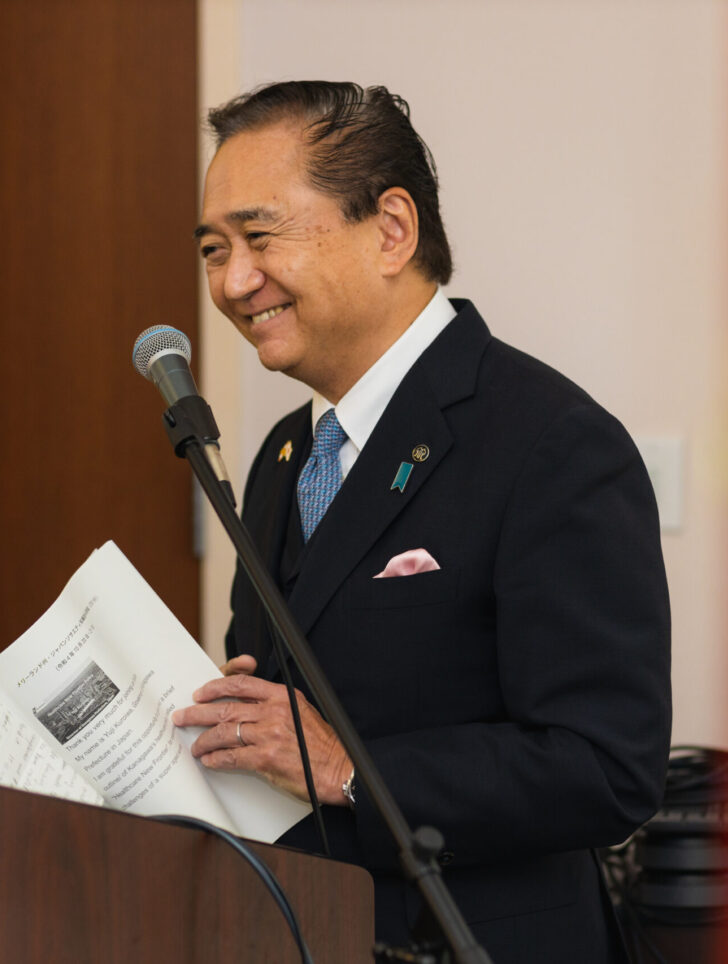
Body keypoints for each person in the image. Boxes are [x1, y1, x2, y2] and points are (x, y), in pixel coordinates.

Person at [172, 81, 671, 963]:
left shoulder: (551, 442)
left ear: (391, 230)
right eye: (215, 248)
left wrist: (350, 771)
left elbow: (606, 767)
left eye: (260, 237)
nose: (233, 280)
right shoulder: (284, 456)